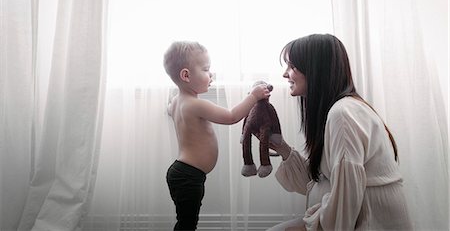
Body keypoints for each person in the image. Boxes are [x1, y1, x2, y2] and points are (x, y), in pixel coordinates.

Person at [267, 34, 413, 231]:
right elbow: (317, 182)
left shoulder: (343, 114)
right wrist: (281, 148)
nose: (285, 74)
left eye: (292, 67)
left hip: (368, 222)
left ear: (315, 70)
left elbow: (346, 198)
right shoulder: (339, 111)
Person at [163, 40, 270, 231]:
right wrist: (253, 97)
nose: (210, 74)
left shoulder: (178, 102)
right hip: (189, 176)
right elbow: (231, 117)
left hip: (183, 173)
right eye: (206, 69)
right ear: (186, 75)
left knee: (186, 221)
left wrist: (171, 107)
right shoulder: (196, 105)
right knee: (187, 225)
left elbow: (170, 108)